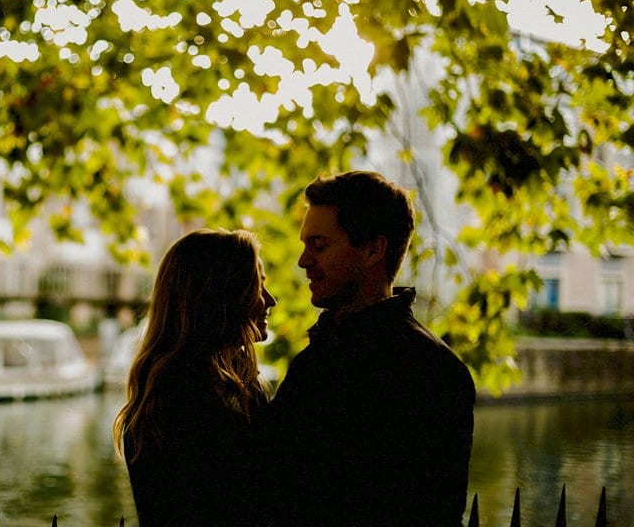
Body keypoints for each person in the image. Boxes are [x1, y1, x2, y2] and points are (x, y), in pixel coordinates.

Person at [258, 171, 476, 527]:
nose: (303, 261)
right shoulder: (312, 363)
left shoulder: (432, 374)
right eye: (304, 245)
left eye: (319, 245)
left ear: (373, 249)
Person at [113, 228, 277, 526]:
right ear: (221, 295)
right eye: (257, 286)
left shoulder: (226, 388)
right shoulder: (186, 407)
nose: (271, 300)